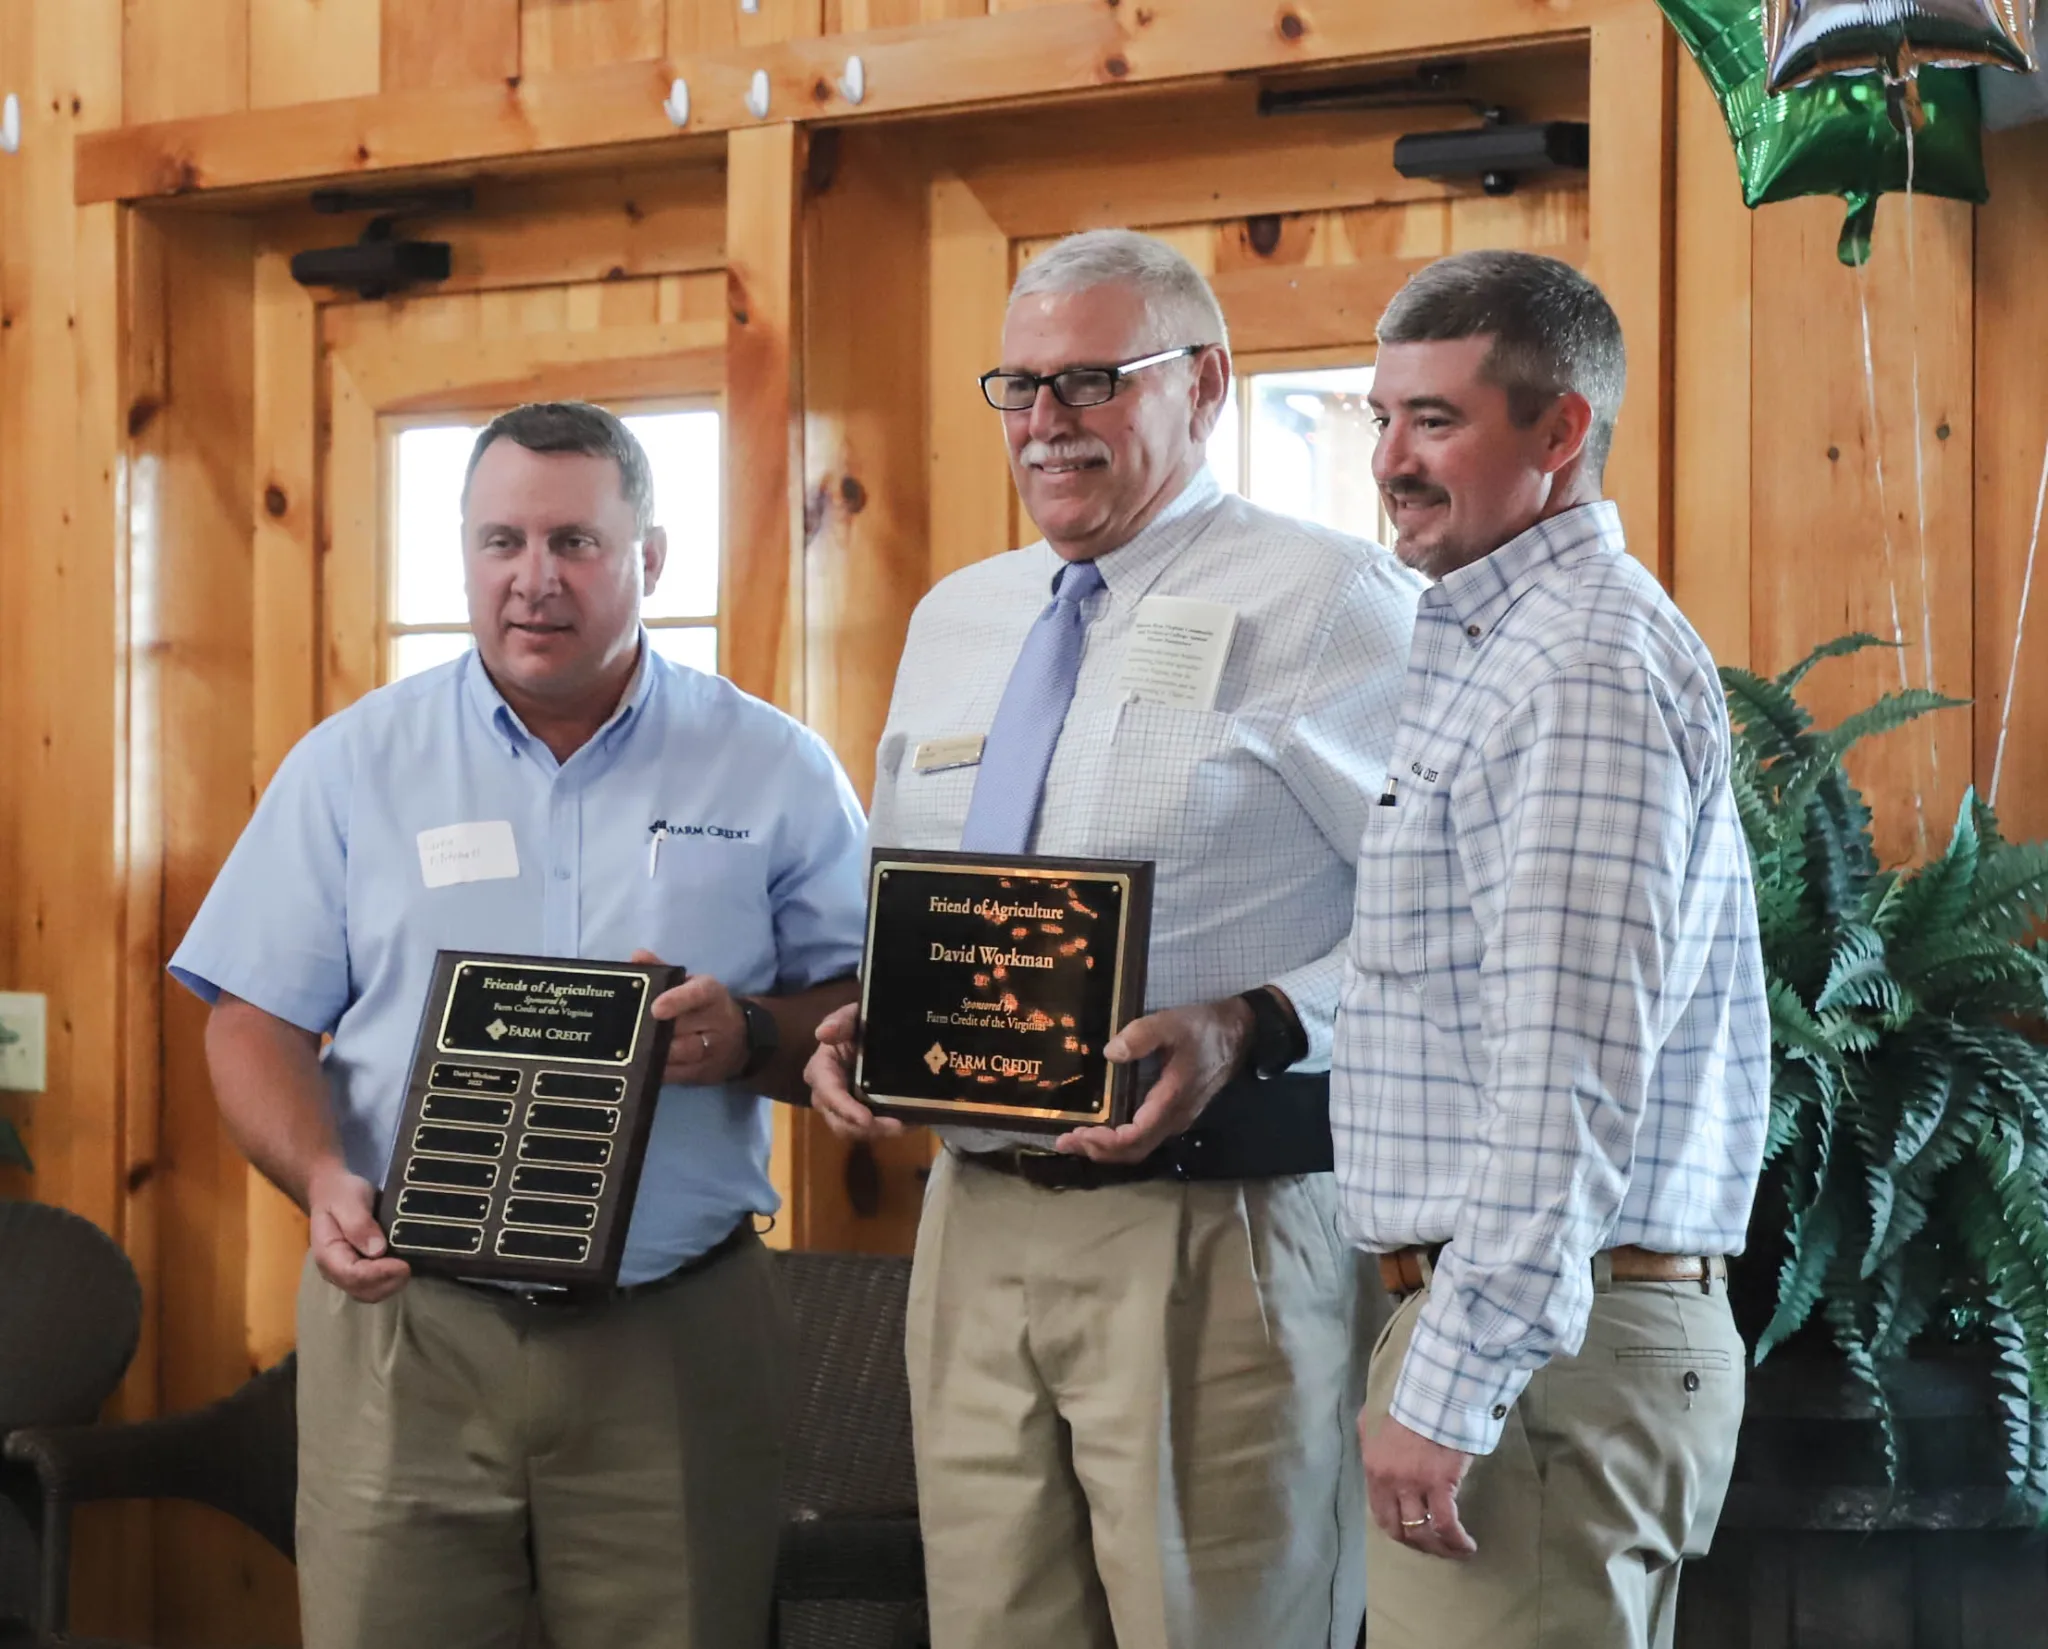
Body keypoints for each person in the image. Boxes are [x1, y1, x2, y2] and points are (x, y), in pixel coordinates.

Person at [805, 228, 1422, 1649]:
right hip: (971, 1229)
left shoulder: (1333, 603)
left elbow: (1443, 921)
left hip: (1214, 1232)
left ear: (1205, 384)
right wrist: (872, 1020)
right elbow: (920, 903)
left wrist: (1253, 1019)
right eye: (1016, 388)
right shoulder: (959, 616)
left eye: (1089, 382)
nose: (1043, 424)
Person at [168, 401, 868, 1649]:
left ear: (648, 558)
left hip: (673, 1333)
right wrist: (319, 1172)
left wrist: (750, 1034)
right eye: (500, 540)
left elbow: (857, 1006)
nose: (532, 580)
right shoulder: (353, 763)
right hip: (408, 1329)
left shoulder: (773, 766)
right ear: (465, 553)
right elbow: (252, 1013)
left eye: (574, 542)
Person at [1333, 249, 1770, 1649]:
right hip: (1535, 1342)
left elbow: (1567, 1074)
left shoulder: (1574, 665)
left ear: (1562, 431)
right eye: (1381, 417)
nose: (1392, 459)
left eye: (1437, 421)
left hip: (1541, 1362)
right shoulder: (1497, 640)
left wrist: (1452, 1384)